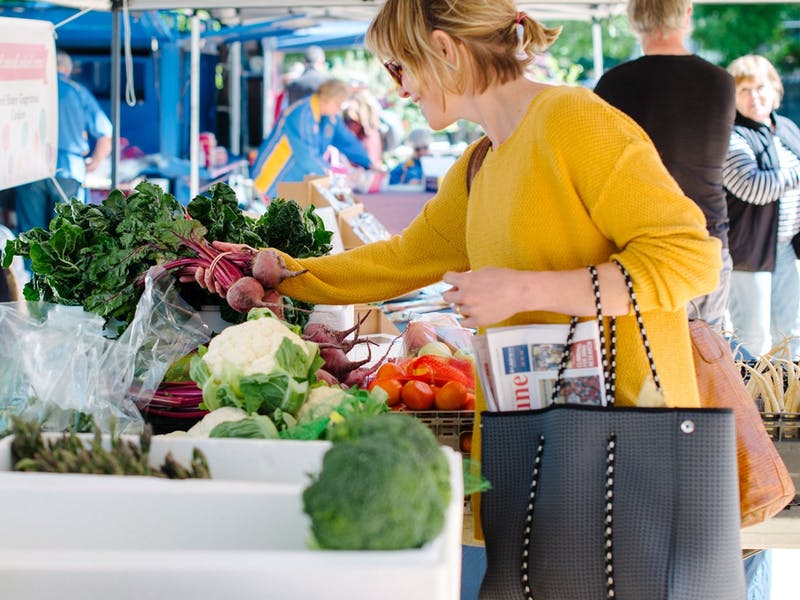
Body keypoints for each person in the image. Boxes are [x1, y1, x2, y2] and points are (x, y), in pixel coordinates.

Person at [195, 0, 719, 542]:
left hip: (625, 445)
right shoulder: (479, 165)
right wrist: (283, 272)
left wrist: (521, 290)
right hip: (536, 442)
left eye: (399, 67)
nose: (400, 89)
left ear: (444, 49)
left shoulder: (575, 120)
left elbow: (689, 258)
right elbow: (399, 260)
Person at [594, 0, 736, 329]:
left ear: (633, 18)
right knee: (704, 357)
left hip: (637, 244)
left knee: (647, 366)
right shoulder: (720, 82)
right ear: (686, 14)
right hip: (706, 235)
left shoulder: (613, 84)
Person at [723, 54, 800, 359]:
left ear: (774, 90)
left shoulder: (788, 130)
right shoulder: (730, 136)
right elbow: (753, 187)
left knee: (790, 334)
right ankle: (750, 406)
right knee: (751, 340)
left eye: (760, 87)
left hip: (785, 249)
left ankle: (787, 404)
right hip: (747, 253)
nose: (754, 96)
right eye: (744, 90)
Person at [14, 50, 112, 234]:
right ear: (67, 69)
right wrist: (95, 161)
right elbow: (106, 134)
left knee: (31, 237)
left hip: (30, 171)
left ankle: (30, 265)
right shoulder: (78, 92)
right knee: (66, 236)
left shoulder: (29, 92)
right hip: (69, 171)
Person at [250, 78, 378, 200]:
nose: (339, 109)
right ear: (327, 98)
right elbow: (307, 157)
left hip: (292, 181)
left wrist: (369, 163)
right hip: (270, 179)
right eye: (338, 104)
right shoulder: (301, 114)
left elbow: (346, 140)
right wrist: (331, 175)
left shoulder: (328, 116)